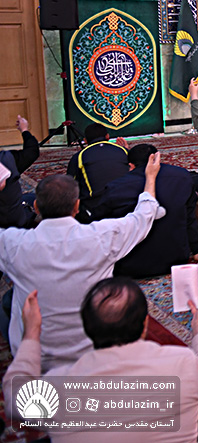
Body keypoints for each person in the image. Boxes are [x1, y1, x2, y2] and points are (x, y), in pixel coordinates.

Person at [3, 282, 198, 442]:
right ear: (145, 324)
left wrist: (32, 333)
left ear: (87, 328)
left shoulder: (58, 386)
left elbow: (14, 400)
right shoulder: (182, 363)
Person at [0, 155, 162, 371]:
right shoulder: (102, 237)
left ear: (36, 207)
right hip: (94, 352)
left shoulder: (13, 244)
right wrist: (150, 177)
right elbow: (143, 215)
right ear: (77, 206)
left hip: (37, 358)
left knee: (8, 300)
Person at [88, 144, 198, 278]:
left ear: (131, 166)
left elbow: (99, 223)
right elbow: (190, 219)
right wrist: (196, 248)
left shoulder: (116, 187)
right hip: (176, 258)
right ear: (157, 159)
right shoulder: (182, 177)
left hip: (131, 264)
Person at [66, 122, 129, 221]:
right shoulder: (123, 151)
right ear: (107, 136)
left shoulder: (79, 157)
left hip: (95, 211)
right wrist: (126, 150)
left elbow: (69, 184)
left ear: (85, 141)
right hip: (127, 206)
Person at [0, 115, 39, 228]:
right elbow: (32, 152)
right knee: (38, 198)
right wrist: (24, 130)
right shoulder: (6, 160)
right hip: (15, 221)